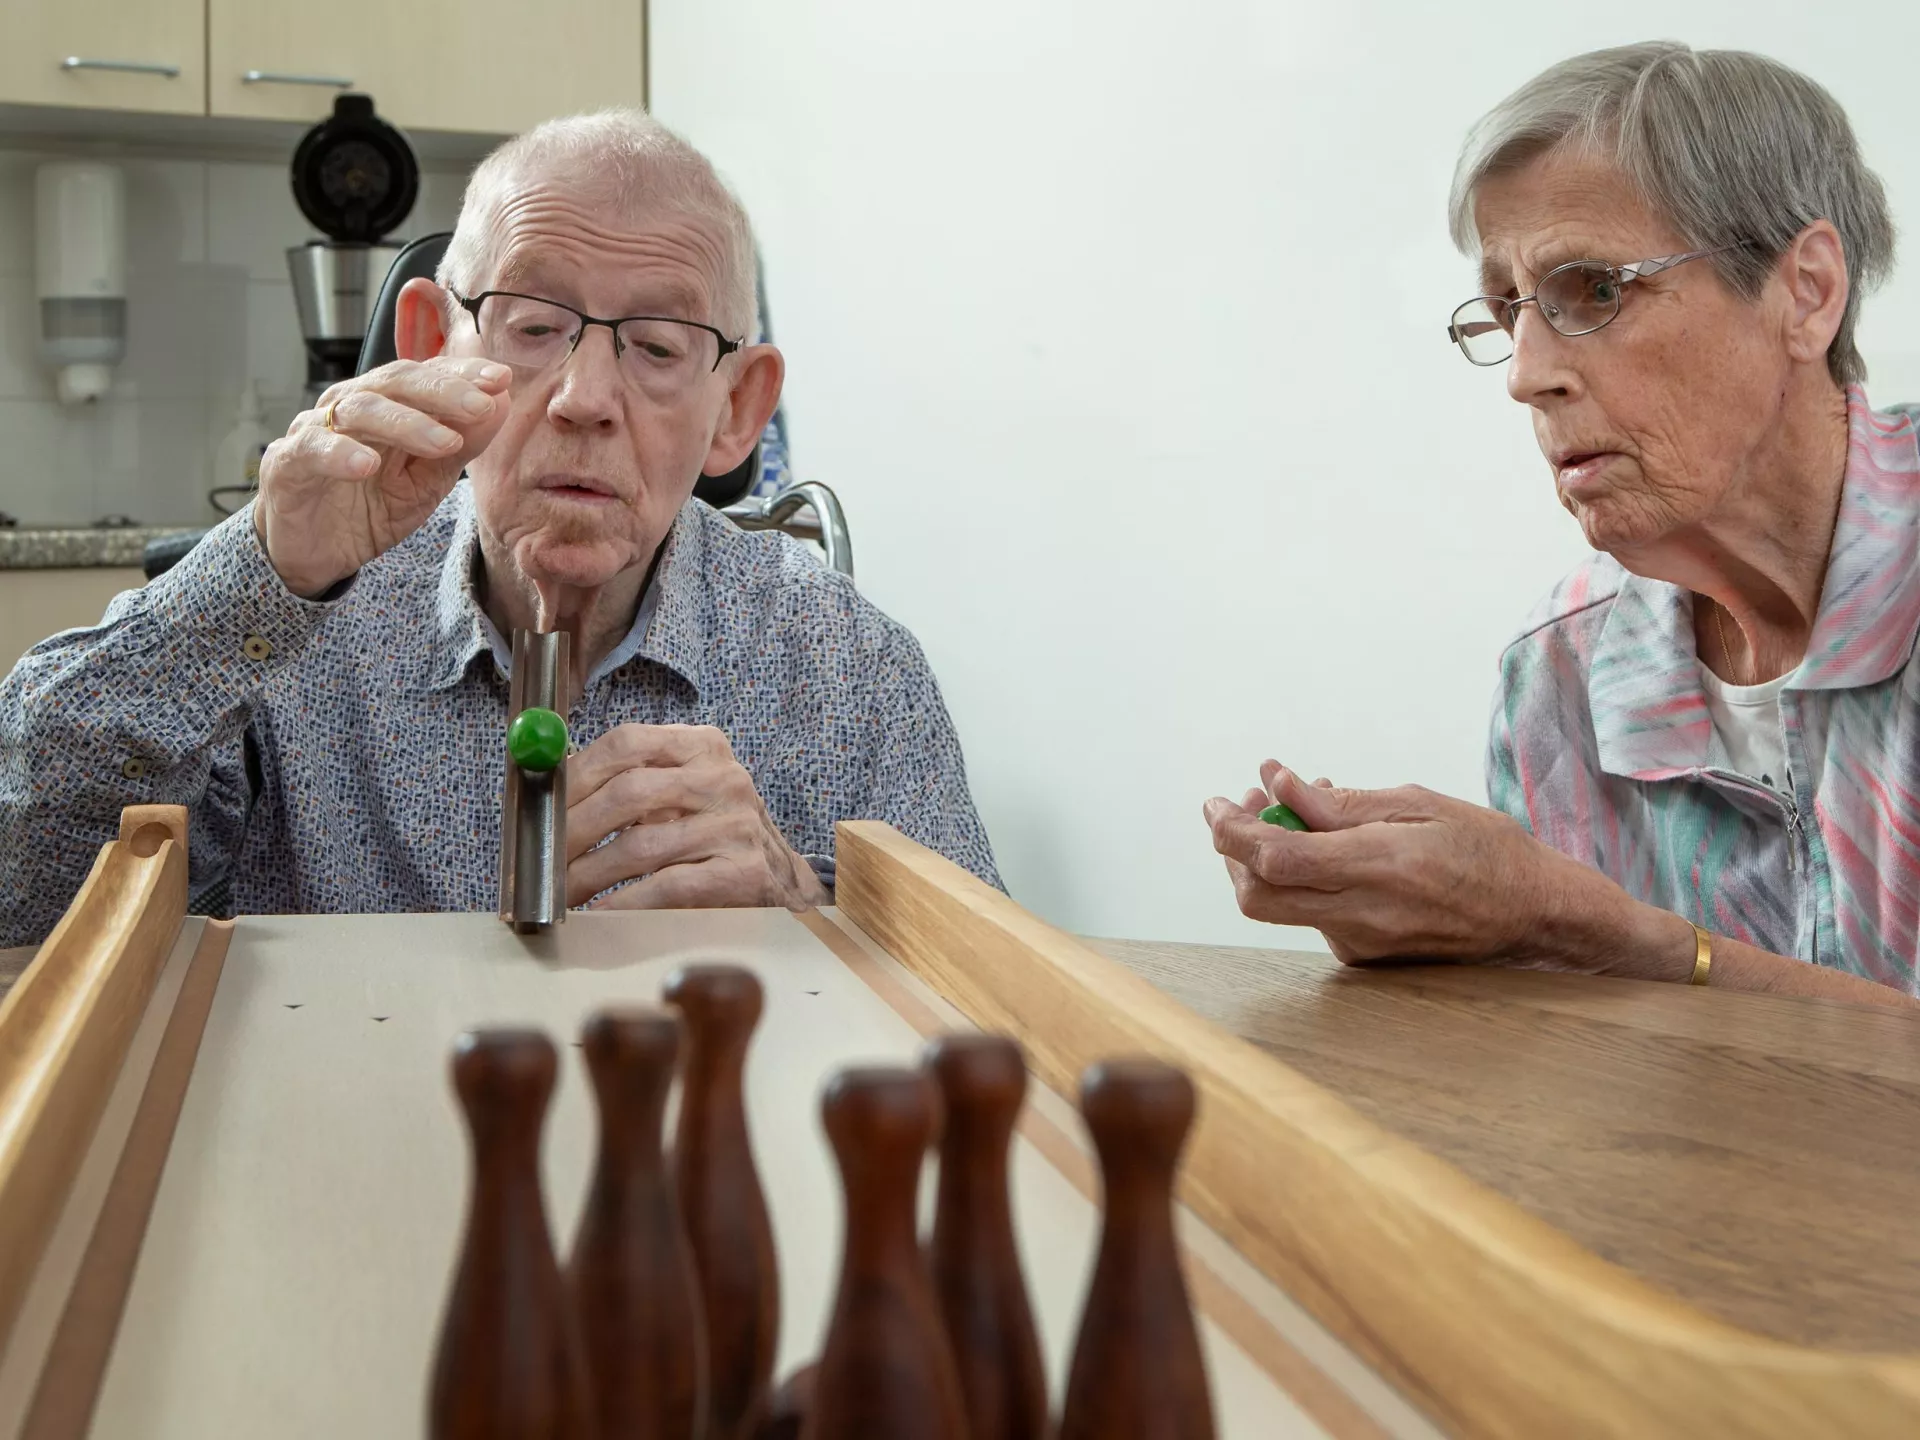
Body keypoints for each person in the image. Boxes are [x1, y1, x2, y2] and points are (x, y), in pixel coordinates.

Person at [0, 110, 998, 946]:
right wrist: (258, 578)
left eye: (657, 344)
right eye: (531, 324)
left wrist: (806, 910)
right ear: (435, 343)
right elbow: (23, 902)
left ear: (736, 406)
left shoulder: (848, 664)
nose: (584, 397)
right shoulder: (291, 632)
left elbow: (991, 1009)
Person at [1206, 43, 1919, 1005]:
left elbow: (1594, 944)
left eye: (1594, 290)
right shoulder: (1563, 674)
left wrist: (1594, 932)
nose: (1524, 374)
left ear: (1807, 292)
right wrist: (1456, 946)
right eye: (1507, 311)